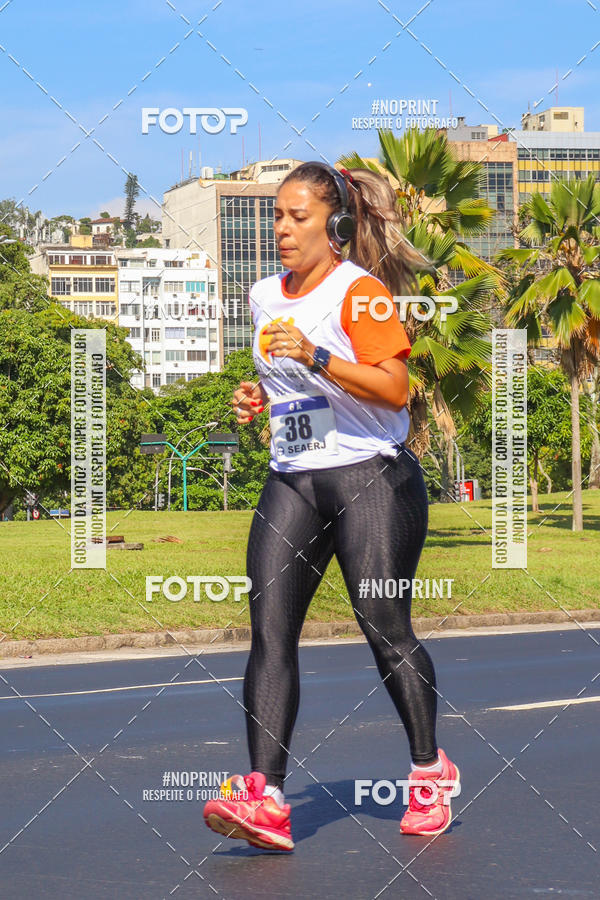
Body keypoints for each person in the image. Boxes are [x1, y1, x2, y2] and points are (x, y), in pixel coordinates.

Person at [203, 162, 459, 851]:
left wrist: (316, 355)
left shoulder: (361, 292)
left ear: (335, 225)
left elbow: (394, 388)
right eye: (277, 217)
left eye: (298, 217)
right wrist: (261, 402)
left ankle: (429, 773)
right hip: (295, 475)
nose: (282, 230)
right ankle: (266, 798)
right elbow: (296, 399)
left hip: (370, 478)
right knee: (270, 631)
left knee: (382, 624)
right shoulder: (263, 296)